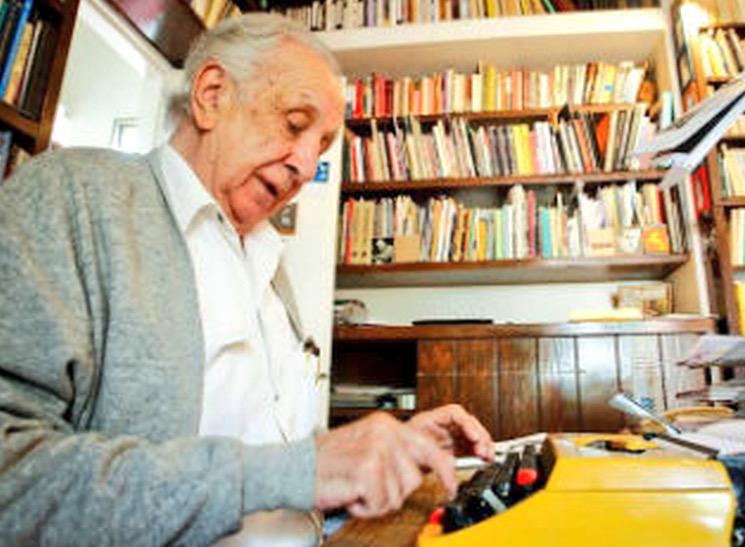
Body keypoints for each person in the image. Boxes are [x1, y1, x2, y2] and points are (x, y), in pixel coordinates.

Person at [0, 13, 493, 546]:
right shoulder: (72, 198)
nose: (306, 165)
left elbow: (273, 458)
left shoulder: (267, 257)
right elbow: (11, 478)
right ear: (212, 95)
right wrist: (305, 469)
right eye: (295, 124)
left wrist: (382, 455)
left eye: (322, 146)